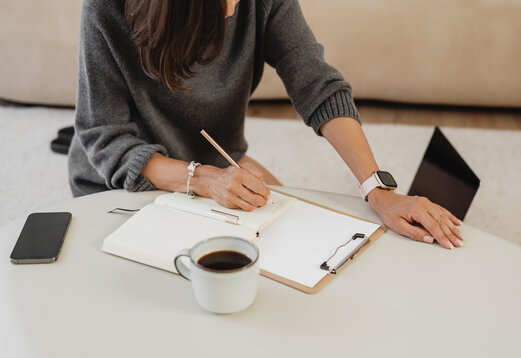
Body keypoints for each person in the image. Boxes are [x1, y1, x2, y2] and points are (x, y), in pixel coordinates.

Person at [68, 0, 464, 250]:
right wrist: (203, 180)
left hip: (220, 164)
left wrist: (377, 190)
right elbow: (104, 137)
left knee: (299, 235)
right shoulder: (105, 9)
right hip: (124, 179)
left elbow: (317, 84)